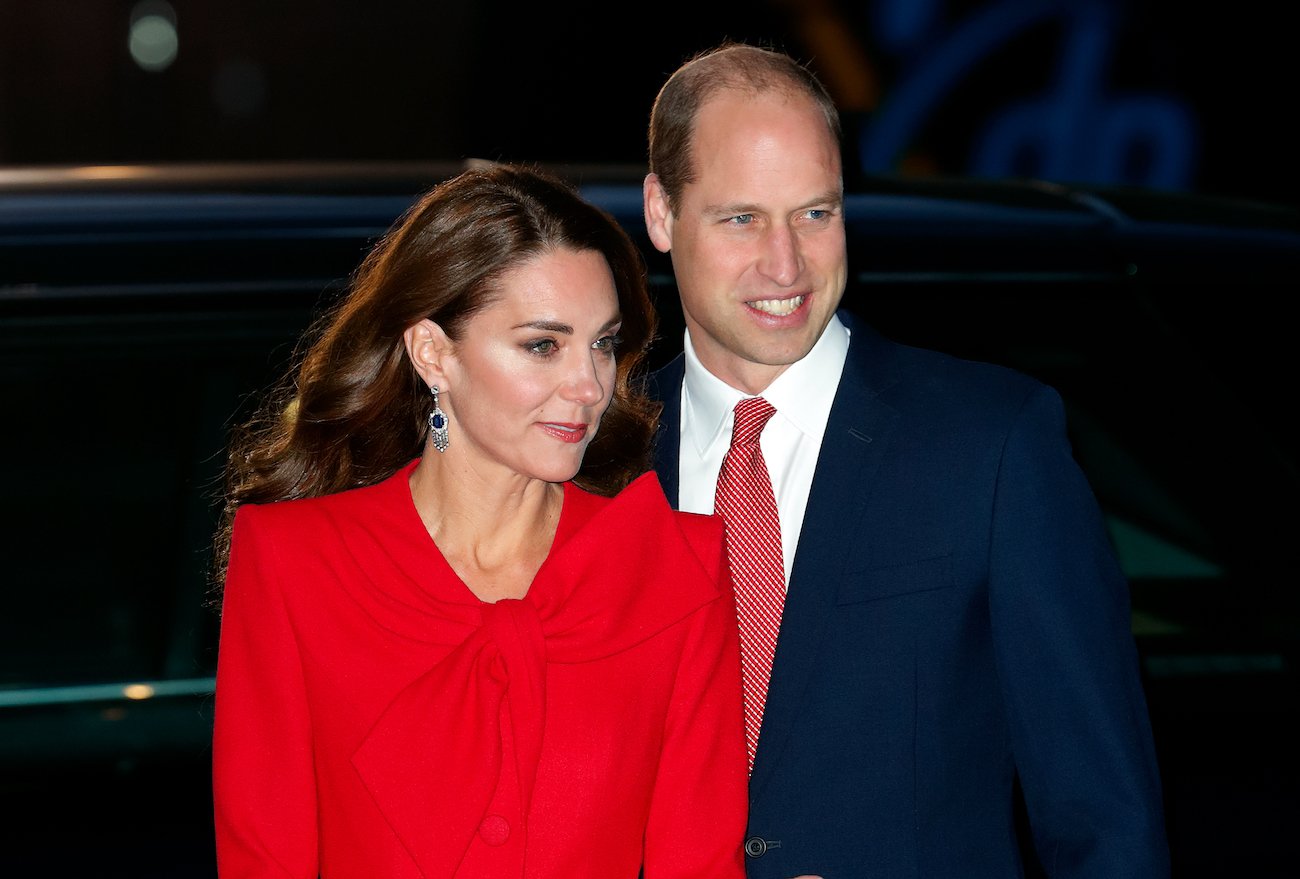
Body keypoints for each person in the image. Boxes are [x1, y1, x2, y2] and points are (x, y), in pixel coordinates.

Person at [641, 41, 1171, 878]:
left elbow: (1102, 819)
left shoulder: (990, 445)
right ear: (662, 213)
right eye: (742, 218)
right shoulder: (599, 456)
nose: (786, 265)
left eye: (815, 213)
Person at [210, 163, 748, 878]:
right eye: (542, 345)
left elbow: (701, 864)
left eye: (602, 342)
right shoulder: (292, 563)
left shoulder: (672, 567)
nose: (590, 385)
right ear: (434, 352)